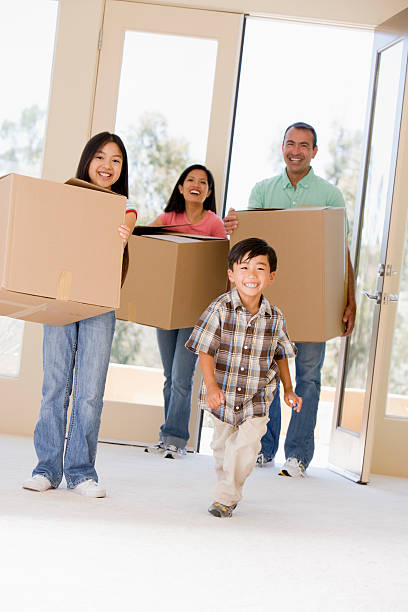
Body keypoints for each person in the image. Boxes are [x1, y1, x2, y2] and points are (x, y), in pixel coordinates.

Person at [223, 121, 356, 478]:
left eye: (304, 145)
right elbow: (249, 247)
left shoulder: (330, 196)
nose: (296, 150)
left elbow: (341, 253)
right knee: (267, 374)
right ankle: (265, 448)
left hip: (315, 304)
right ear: (282, 147)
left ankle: (297, 454)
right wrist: (234, 228)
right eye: (290, 143)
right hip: (271, 305)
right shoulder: (264, 191)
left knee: (308, 378)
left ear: (314, 152)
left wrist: (350, 301)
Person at [23, 132, 137, 498]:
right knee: (55, 385)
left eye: (116, 160)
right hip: (60, 299)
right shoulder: (63, 199)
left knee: (89, 392)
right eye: (101, 157)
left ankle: (81, 472)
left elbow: (127, 227)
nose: (107, 165)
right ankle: (46, 468)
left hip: (100, 304)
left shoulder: (125, 210)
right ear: (87, 160)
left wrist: (122, 235)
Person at [185, 238, 301, 517]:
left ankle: (225, 497)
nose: (251, 275)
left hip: (256, 397)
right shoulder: (220, 309)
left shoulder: (275, 317)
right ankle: (229, 488)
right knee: (223, 451)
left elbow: (282, 354)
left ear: (271, 277)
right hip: (222, 395)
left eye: (260, 269)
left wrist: (289, 389)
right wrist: (211, 386)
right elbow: (205, 349)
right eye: (244, 268)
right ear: (231, 274)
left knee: (246, 448)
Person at [145, 164, 227, 459]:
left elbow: (221, 268)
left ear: (209, 192)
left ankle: (176, 439)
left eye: (203, 182)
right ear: (180, 188)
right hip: (167, 308)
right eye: (190, 180)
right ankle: (167, 434)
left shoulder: (214, 224)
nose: (196, 185)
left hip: (197, 313)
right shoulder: (168, 218)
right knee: (170, 375)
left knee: (182, 376)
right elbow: (144, 242)